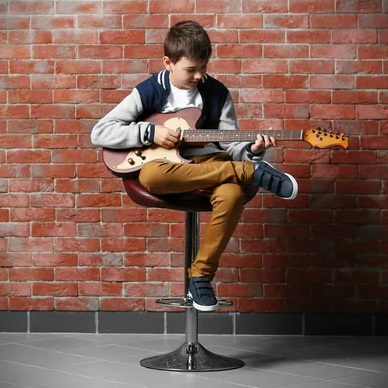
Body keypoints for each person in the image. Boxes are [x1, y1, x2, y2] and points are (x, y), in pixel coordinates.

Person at [91, 21, 297, 312]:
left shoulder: (217, 93)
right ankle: (252, 173)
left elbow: (230, 145)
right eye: (191, 70)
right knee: (151, 174)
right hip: (166, 166)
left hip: (210, 162)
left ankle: (200, 276)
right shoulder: (150, 90)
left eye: (204, 67)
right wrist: (150, 133)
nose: (199, 76)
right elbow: (100, 132)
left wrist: (251, 150)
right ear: (168, 62)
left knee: (232, 195)